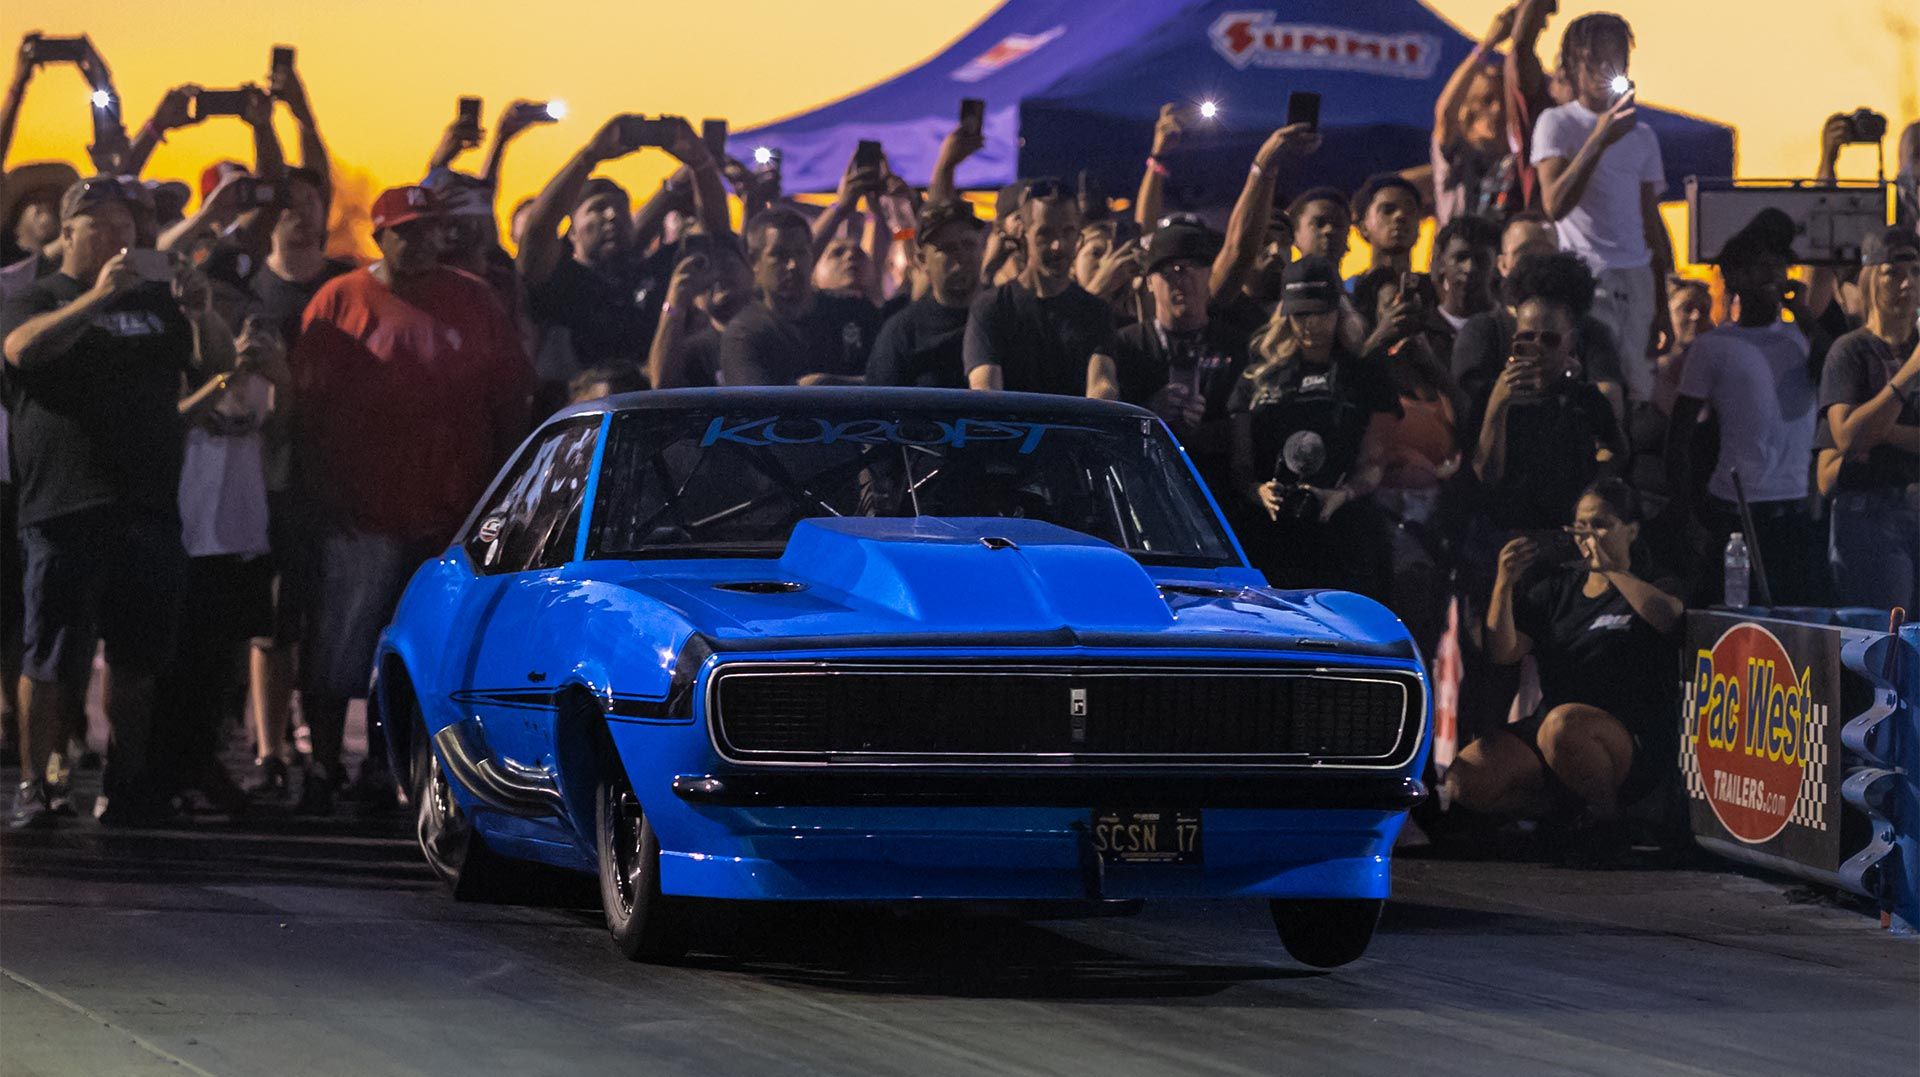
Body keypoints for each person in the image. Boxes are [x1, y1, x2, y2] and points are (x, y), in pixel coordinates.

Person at [288, 186, 531, 814]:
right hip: (360, 512)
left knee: (413, 652)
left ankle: (381, 767)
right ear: (380, 234)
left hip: (448, 518)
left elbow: (509, 402)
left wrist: (497, 504)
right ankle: (320, 767)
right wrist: (322, 498)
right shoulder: (339, 300)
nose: (424, 241)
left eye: (433, 230)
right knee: (339, 646)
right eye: (411, 231)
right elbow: (304, 414)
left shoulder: (473, 300)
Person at [2, 177, 235, 827]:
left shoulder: (159, 302)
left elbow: (216, 366)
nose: (118, 236)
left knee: (136, 659)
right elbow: (21, 351)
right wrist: (97, 298)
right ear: (66, 234)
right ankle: (43, 783)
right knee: (50, 658)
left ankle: (124, 784)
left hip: (148, 503)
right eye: (100, 225)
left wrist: (202, 313)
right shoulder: (35, 297)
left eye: (127, 225)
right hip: (66, 503)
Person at [1442, 479, 1684, 861]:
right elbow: (1503, 651)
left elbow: (1669, 617)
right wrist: (1504, 583)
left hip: (1621, 738)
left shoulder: (1653, 581)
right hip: (1553, 732)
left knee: (1563, 725)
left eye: (1601, 525)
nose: (1588, 535)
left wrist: (1614, 570)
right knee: (1464, 782)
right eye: (1581, 526)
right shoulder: (1560, 588)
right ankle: (1561, 812)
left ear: (1632, 530)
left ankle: (1608, 821)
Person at [518, 115, 729, 406]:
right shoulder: (559, 278)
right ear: (571, 229)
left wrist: (701, 163)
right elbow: (538, 230)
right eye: (598, 208)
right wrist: (589, 156)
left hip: (650, 414)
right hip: (576, 421)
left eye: (621, 207)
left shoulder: (654, 272)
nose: (613, 216)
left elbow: (716, 234)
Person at [1668, 209, 1820, 606]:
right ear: (1734, 277)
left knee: (1799, 614)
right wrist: (1686, 514)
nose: (1772, 274)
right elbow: (1680, 435)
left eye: (1779, 264)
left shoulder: (1799, 336)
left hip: (1798, 504)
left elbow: (1830, 379)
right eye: (1759, 266)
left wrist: (1804, 315)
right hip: (1738, 508)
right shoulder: (1713, 347)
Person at [1229, 255, 1400, 597]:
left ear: (1339, 310)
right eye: (1301, 314)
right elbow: (1239, 463)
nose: (1311, 325)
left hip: (1344, 529)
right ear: (1286, 314)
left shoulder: (1365, 373)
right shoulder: (1259, 376)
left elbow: (1375, 459)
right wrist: (1257, 491)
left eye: (1321, 313)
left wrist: (1343, 493)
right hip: (1272, 532)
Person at [1530, 12, 1673, 402]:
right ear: (1573, 65)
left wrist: (1663, 300)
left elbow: (1650, 220)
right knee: (1595, 386)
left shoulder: (1643, 135)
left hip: (1637, 274)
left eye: (1617, 59)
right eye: (1594, 59)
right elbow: (1554, 204)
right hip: (1586, 275)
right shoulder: (1556, 123)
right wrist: (1600, 139)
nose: (1605, 69)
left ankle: (1630, 457)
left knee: (1640, 389)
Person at [1108, 217, 1247, 498]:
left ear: (1209, 274)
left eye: (1191, 268)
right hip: (1146, 489)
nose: (1180, 279)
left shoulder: (1236, 344)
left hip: (1218, 492)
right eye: (1167, 271)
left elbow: (1251, 431)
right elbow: (1111, 425)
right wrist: (1150, 411)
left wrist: (1203, 430)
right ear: (1148, 282)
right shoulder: (1126, 345)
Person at [1818, 227, 1919, 611]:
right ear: (1870, 278)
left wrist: (1880, 431)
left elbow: (1860, 433)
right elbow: (1845, 439)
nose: (1907, 283)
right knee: (1884, 641)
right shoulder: (1850, 352)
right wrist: (1910, 372)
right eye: (1893, 272)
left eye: (1916, 270)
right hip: (1869, 515)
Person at [1451, 212, 1626, 417]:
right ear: (1502, 264)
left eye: (1547, 254)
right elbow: (1467, 406)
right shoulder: (1482, 331)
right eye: (1525, 254)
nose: (1537, 264)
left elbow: (1611, 403)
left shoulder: (1591, 330)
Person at [964, 178, 1117, 397]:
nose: (1058, 245)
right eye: (1046, 234)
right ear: (1023, 234)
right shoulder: (992, 307)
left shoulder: (1095, 312)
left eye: (1068, 232)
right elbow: (985, 392)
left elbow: (1102, 384)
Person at [720, 207, 882, 386]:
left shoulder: (853, 312)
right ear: (754, 261)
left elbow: (891, 379)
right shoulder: (744, 334)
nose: (793, 265)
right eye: (779, 255)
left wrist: (830, 384)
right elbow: (754, 405)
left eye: (800, 252)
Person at [866, 201, 986, 389]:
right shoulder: (903, 331)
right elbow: (882, 406)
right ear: (922, 260)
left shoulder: (1006, 314)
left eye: (969, 244)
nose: (961, 255)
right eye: (947, 248)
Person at [1431, 4, 1521, 226]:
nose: (1497, 110)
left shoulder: (1516, 157)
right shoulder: (1456, 151)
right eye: (1487, 100)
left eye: (1503, 101)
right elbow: (1445, 112)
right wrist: (1487, 45)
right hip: (1457, 253)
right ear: (1470, 107)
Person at [648, 237, 753, 390]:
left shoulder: (778, 327)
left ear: (752, 268)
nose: (717, 275)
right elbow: (661, 383)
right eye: (703, 267)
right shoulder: (695, 353)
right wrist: (674, 303)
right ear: (693, 299)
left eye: (726, 263)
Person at [1347, 174, 1424, 289]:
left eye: (1409, 210)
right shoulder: (1347, 295)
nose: (1400, 216)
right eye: (1388, 210)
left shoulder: (1435, 294)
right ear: (1363, 227)